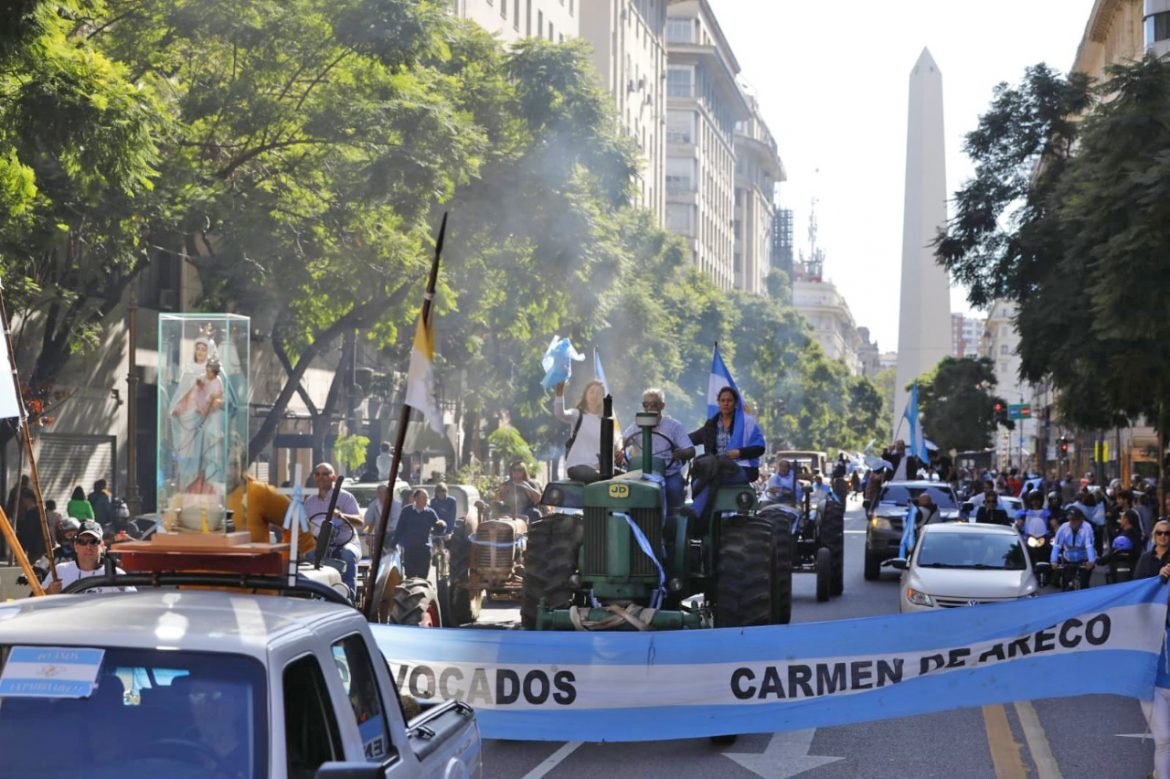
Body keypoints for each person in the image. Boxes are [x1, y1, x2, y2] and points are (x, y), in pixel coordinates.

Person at [688, 386, 766, 520]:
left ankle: (696, 516)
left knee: (710, 478)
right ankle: (703, 522)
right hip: (716, 468)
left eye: (729, 400)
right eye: (723, 400)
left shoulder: (748, 422)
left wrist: (739, 453)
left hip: (742, 469)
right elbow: (691, 439)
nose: (726, 403)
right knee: (698, 479)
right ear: (718, 402)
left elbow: (760, 448)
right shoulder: (711, 425)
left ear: (735, 402)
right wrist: (673, 440)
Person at [617, 388, 694, 513]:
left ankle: (672, 520)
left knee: (674, 489)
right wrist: (620, 449)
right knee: (624, 490)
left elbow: (690, 450)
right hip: (640, 473)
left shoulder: (674, 426)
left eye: (654, 404)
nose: (650, 408)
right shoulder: (636, 425)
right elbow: (623, 440)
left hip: (668, 473)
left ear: (662, 406)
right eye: (646, 404)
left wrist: (682, 453)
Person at [170, 355, 226, 496]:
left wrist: (210, 403)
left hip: (210, 421)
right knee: (193, 450)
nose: (208, 373)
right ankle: (192, 480)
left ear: (215, 372)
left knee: (208, 450)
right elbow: (191, 395)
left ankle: (206, 479)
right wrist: (180, 409)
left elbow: (216, 401)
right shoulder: (202, 379)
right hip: (197, 417)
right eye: (207, 369)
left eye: (210, 371)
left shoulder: (217, 382)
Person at [303, 463, 363, 594]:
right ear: (314, 477)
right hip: (320, 543)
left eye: (325, 474)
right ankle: (313, 593)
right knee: (309, 555)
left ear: (333, 478)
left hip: (346, 543)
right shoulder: (309, 502)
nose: (321, 477)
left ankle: (348, 595)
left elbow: (360, 521)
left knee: (348, 554)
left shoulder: (345, 497)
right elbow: (304, 526)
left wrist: (341, 515)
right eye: (318, 474)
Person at [552, 379, 620, 482]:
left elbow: (615, 443)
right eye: (592, 392)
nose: (594, 395)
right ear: (585, 395)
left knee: (626, 477)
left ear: (603, 398)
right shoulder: (577, 414)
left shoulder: (606, 421)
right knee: (603, 479)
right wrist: (559, 393)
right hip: (578, 466)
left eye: (598, 393)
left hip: (601, 468)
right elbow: (560, 413)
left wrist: (619, 450)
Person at [41, 520, 134, 594]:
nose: (88, 547)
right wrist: (49, 592)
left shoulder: (116, 575)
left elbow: (132, 603)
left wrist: (122, 589)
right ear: (75, 546)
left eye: (93, 541)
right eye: (82, 542)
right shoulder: (60, 571)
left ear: (102, 546)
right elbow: (37, 599)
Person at [391, 489, 446, 579]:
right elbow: (399, 529)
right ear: (415, 498)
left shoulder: (430, 512)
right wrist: (392, 545)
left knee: (422, 577)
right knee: (410, 576)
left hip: (424, 549)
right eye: (423, 498)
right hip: (410, 549)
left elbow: (438, 528)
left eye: (427, 498)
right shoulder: (407, 511)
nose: (426, 501)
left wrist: (442, 526)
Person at [1050, 506, 1096, 589]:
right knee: (1065, 584)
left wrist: (1091, 561)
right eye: (1071, 520)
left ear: (1081, 520)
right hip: (1068, 559)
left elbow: (1089, 546)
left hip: (1083, 559)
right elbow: (1057, 545)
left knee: (1084, 584)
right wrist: (1054, 561)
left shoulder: (1087, 528)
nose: (1073, 522)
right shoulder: (1063, 528)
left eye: (1076, 520)